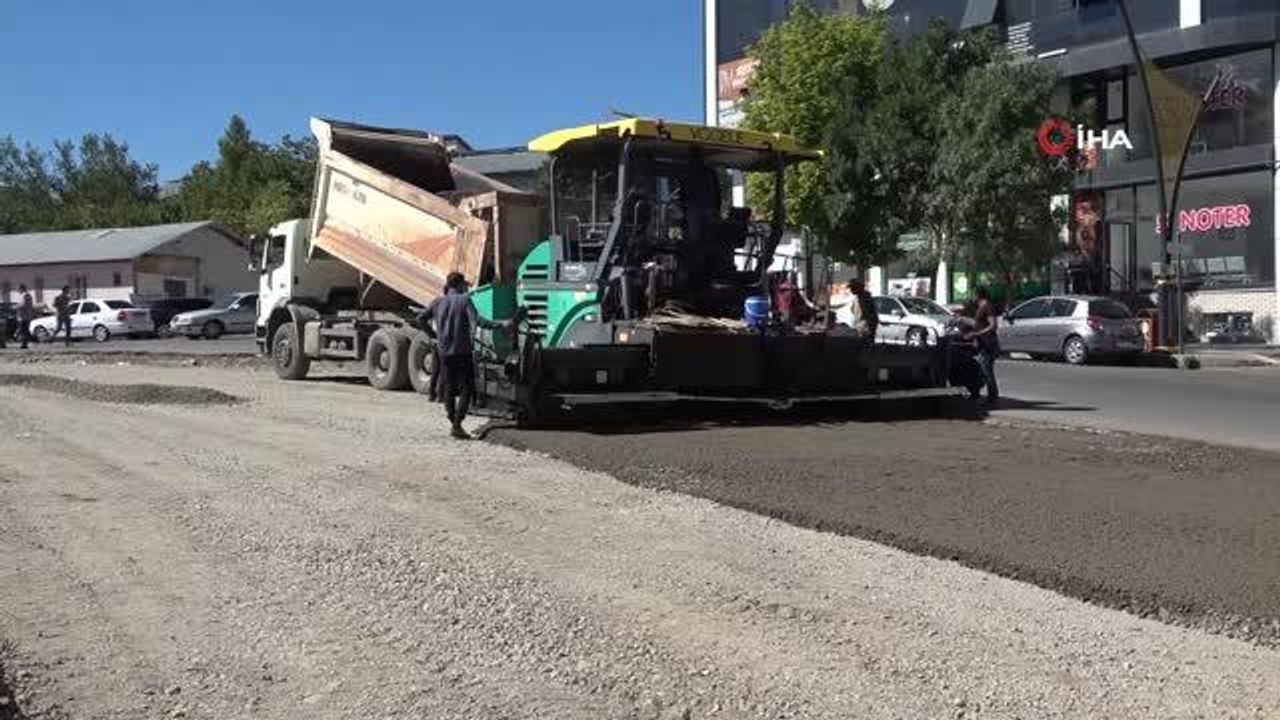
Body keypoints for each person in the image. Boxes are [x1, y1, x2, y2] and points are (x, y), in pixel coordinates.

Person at [419, 272, 513, 440]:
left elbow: (420, 319)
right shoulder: (464, 300)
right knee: (467, 389)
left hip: (444, 352)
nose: (466, 288)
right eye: (465, 285)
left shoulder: (437, 302)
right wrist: (501, 324)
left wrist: (433, 335)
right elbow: (478, 321)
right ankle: (457, 424)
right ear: (460, 284)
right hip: (462, 352)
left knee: (448, 387)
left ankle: (452, 420)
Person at [965, 286, 1000, 405]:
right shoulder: (980, 307)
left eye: (972, 294)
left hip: (988, 343)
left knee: (986, 371)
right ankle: (990, 396)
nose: (971, 297)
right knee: (984, 369)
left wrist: (976, 333)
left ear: (978, 295)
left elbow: (993, 325)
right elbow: (978, 323)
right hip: (982, 343)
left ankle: (992, 397)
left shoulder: (987, 306)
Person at [845, 277, 878, 342]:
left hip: (865, 328)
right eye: (851, 288)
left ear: (859, 287)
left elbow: (867, 315)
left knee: (865, 347)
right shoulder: (856, 298)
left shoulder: (865, 299)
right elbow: (853, 311)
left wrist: (867, 328)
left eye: (853, 288)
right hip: (858, 327)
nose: (851, 290)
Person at [17, 285, 34, 349]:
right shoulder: (27, 295)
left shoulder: (25, 295)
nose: (19, 291)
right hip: (25, 316)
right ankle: (25, 343)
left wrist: (16, 307)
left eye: (19, 289)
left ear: (22, 289)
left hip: (24, 316)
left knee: (23, 330)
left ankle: (24, 344)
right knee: (24, 330)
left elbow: (23, 305)